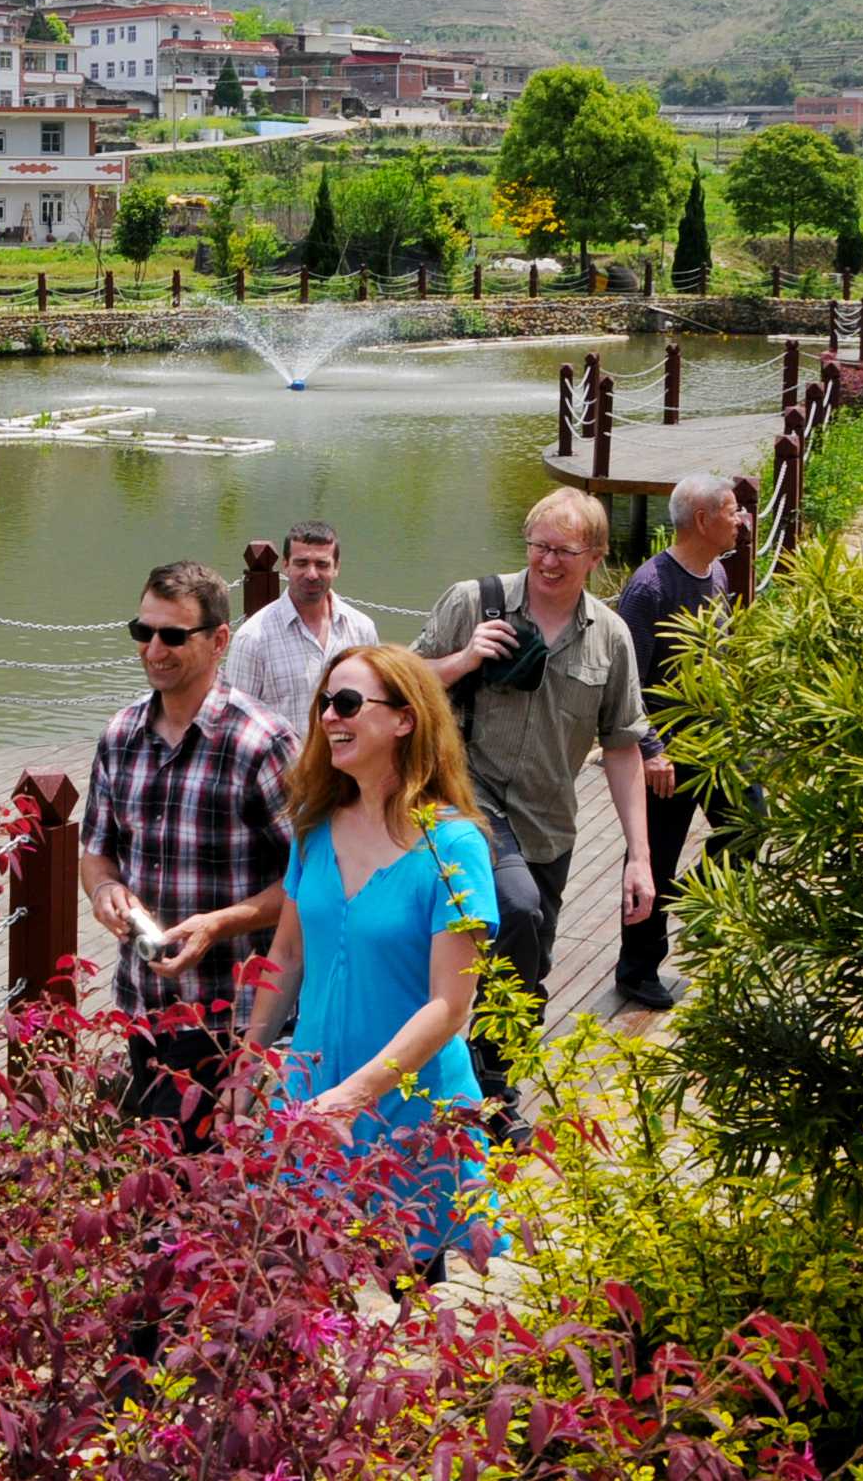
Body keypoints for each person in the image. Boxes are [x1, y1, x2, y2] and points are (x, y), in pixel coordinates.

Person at [232, 643, 497, 1281]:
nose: (328, 716)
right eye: (325, 702)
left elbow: (450, 1004)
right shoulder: (315, 828)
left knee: (405, 1291)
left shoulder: (454, 846)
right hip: (312, 1089)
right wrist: (247, 1065)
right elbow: (288, 954)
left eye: (347, 702)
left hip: (407, 1099)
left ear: (404, 719)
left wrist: (355, 1097)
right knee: (289, 1283)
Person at [413, 488, 655, 1099]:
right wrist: (464, 660)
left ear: (595, 555)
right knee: (516, 907)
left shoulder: (611, 636)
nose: (548, 562)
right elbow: (400, 681)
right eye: (539, 546)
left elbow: (622, 746)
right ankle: (477, 1078)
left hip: (550, 821)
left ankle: (494, 1083)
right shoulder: (475, 602)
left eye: (564, 551)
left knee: (531, 966)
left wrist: (641, 858)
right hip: (464, 798)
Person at [80, 558, 298, 1145]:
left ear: (219, 639)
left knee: (216, 1196)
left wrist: (221, 925)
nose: (154, 648)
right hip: (144, 1005)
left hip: (233, 1014)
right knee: (161, 1184)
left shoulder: (263, 742)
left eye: (173, 635)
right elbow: (95, 851)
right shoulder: (120, 735)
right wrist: (104, 890)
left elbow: (313, 879)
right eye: (142, 632)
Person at [611, 471, 740, 1011]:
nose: (742, 519)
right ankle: (636, 970)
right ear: (704, 520)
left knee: (750, 828)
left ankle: (697, 903)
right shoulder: (649, 588)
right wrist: (651, 750)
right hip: (666, 753)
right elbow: (627, 682)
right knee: (654, 860)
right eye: (733, 510)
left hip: (715, 742)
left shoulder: (716, 574)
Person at [222, 520, 379, 733]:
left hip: (349, 763)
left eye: (322, 564)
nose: (312, 574)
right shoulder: (252, 638)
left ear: (336, 568)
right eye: (302, 563)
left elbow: (375, 703)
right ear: (285, 565)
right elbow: (235, 724)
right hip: (285, 765)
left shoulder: (362, 629)